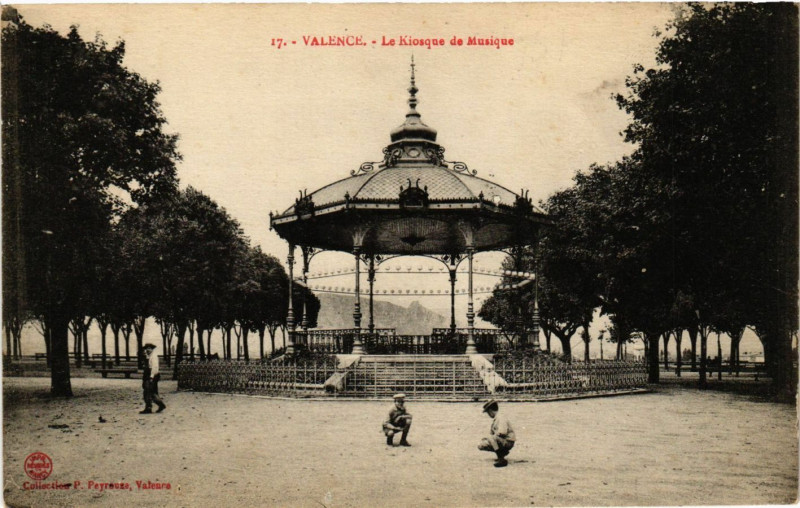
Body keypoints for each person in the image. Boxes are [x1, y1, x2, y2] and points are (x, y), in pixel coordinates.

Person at [478, 399, 515, 467]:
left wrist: (493, 437)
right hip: (503, 441)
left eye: (488, 412)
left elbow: (502, 432)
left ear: (491, 411)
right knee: (482, 444)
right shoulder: (496, 419)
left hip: (508, 441)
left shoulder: (501, 418)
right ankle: (502, 453)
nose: (488, 414)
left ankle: (501, 458)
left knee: (491, 438)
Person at [140, 343, 166, 414]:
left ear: (152, 349)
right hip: (148, 375)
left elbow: (154, 368)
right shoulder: (148, 356)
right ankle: (159, 405)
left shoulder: (153, 356)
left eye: (149, 348)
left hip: (152, 375)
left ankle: (149, 407)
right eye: (146, 348)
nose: (148, 350)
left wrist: (151, 377)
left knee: (148, 392)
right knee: (151, 391)